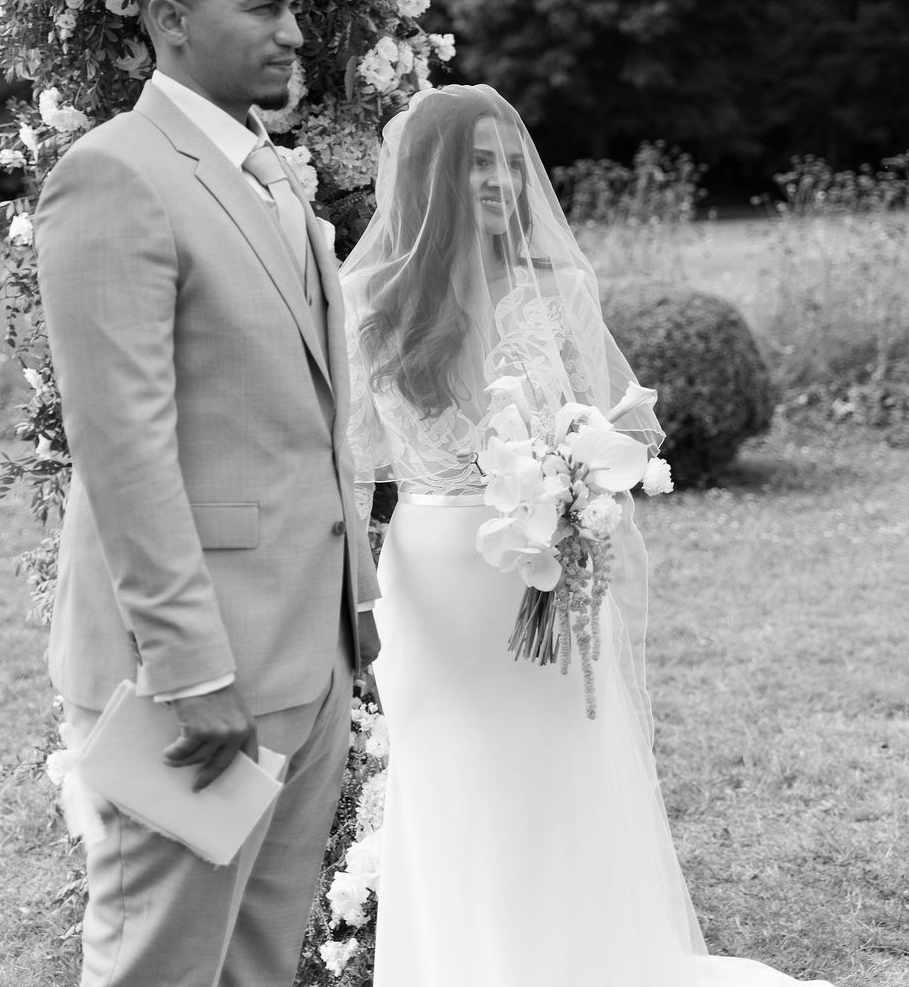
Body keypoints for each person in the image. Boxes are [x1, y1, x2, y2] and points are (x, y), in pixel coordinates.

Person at [341, 83, 834, 987]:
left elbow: (603, 423)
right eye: (474, 162)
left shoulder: (557, 287)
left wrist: (574, 492)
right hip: (430, 579)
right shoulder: (370, 294)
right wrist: (357, 590)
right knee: (452, 786)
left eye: (504, 160)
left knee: (557, 777)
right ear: (430, 175)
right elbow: (347, 458)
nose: (497, 180)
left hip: (546, 568)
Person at [34, 0, 380, 987]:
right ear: (171, 18)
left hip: (306, 651)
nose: (292, 34)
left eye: (298, 8)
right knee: (161, 963)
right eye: (264, 7)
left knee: (260, 963)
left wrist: (351, 633)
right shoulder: (116, 175)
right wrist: (190, 670)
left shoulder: (268, 169)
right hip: (199, 672)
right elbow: (122, 450)